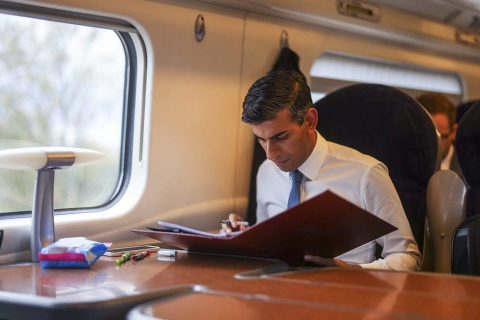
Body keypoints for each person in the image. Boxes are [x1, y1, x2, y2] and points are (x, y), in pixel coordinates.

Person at [224, 71, 421, 271]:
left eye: (281, 137)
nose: (270, 154)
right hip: (278, 292)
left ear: (310, 120)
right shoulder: (267, 171)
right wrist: (242, 238)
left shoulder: (366, 174)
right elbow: (268, 247)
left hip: (343, 294)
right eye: (261, 139)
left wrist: (352, 271)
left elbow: (408, 258)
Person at [417, 93, 462, 176]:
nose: (430, 144)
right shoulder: (406, 164)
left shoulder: (467, 169)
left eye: (439, 137)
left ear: (453, 132)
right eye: (423, 137)